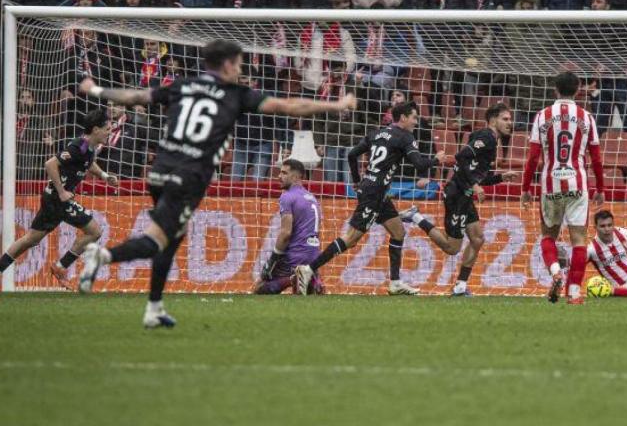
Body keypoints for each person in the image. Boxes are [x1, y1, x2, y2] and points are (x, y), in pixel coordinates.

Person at [76, 39, 356, 328]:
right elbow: (288, 105)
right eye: (238, 64)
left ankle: (154, 307)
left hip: (159, 172)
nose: (239, 69)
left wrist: (95, 89)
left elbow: (136, 97)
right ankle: (104, 255)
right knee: (157, 238)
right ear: (227, 64)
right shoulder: (233, 93)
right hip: (188, 177)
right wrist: (334, 104)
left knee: (173, 236)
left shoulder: (183, 84)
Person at [293, 101, 445, 296]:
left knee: (398, 232)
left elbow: (352, 154)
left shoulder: (377, 133)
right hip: (374, 193)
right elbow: (419, 164)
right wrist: (436, 160)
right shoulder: (405, 137)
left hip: (375, 190)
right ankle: (308, 269)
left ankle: (396, 283)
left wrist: (356, 180)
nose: (416, 122)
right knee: (351, 238)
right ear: (404, 118)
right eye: (414, 117)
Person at [0, 110, 118, 293]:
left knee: (31, 238)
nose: (109, 132)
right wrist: (62, 192)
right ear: (95, 129)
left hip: (53, 198)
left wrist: (104, 175)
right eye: (107, 129)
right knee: (94, 231)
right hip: (58, 199)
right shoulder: (78, 146)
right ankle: (61, 267)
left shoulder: (88, 147)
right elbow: (50, 164)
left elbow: (88, 163)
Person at [400, 103, 520, 296]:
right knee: (452, 248)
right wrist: (474, 185)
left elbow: (477, 174)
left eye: (510, 119)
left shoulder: (491, 140)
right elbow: (461, 157)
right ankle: (416, 217)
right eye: (505, 119)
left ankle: (460, 286)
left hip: (464, 194)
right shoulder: (487, 137)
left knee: (478, 239)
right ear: (492, 120)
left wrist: (500, 177)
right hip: (456, 194)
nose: (510, 123)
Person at [521, 72, 606, 304]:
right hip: (578, 184)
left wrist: (525, 188)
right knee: (579, 240)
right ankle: (575, 294)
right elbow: (596, 158)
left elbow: (533, 157)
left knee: (548, 235)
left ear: (555, 90)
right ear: (578, 89)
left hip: (550, 184)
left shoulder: (542, 116)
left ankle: (556, 271)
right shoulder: (586, 117)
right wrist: (601, 187)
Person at [254, 159, 325, 295]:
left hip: (295, 256)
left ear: (296, 177)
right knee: (303, 297)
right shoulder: (312, 198)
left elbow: (286, 233)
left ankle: (293, 278)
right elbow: (316, 232)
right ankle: (312, 278)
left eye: (284, 173)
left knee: (259, 288)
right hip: (313, 255)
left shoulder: (287, 197)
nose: (279, 176)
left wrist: (272, 261)